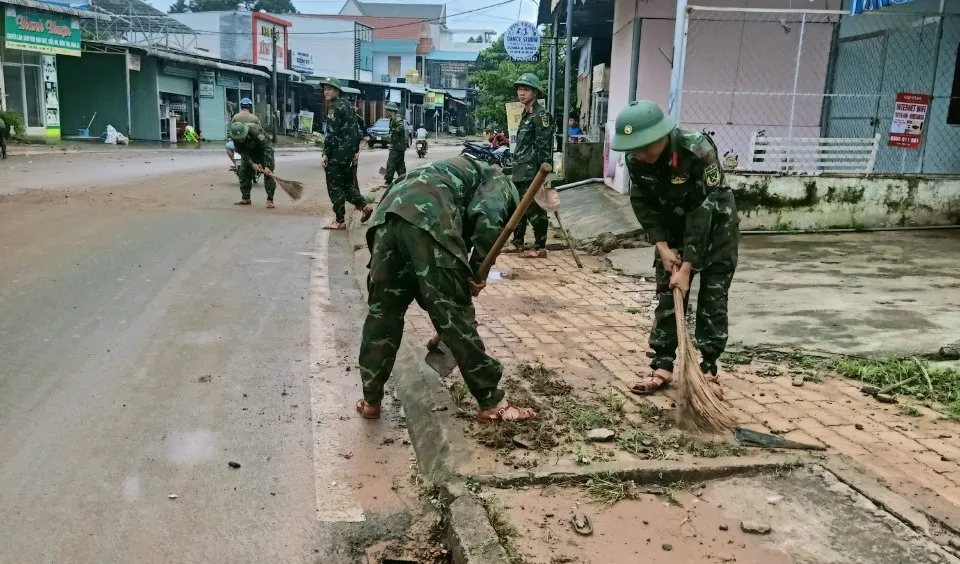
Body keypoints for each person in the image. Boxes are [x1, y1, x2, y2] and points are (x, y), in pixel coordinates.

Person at [355, 155, 537, 424]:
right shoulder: (501, 182)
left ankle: (371, 399)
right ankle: (492, 401)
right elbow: (489, 219)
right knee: (455, 315)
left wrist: (455, 284)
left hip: (386, 220)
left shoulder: (457, 171)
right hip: (430, 219)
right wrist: (477, 269)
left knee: (383, 313)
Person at [612, 100, 740, 400]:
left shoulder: (696, 150)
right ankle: (662, 365)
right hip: (672, 231)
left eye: (643, 147)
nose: (638, 154)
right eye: (633, 149)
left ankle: (707, 370)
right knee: (668, 296)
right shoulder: (635, 158)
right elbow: (642, 202)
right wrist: (662, 246)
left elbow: (702, 210)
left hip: (716, 229)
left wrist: (688, 266)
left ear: (660, 136)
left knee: (713, 299)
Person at [508, 73, 554, 258]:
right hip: (520, 169)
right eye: (520, 89)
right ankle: (517, 242)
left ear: (535, 92)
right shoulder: (526, 114)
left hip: (532, 171)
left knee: (535, 208)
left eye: (526, 89)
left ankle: (540, 247)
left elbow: (544, 146)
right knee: (519, 207)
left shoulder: (541, 115)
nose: (521, 93)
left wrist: (543, 173)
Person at [318, 77, 372, 230]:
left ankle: (340, 221)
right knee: (347, 185)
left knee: (335, 187)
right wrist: (354, 152)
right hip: (347, 154)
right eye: (325, 89)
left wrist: (326, 153)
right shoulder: (349, 106)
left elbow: (331, 134)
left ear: (337, 90)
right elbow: (355, 131)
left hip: (337, 154)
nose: (326, 92)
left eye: (329, 89)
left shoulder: (333, 107)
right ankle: (364, 206)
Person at [228, 120, 277, 209]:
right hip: (249, 153)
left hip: (264, 153)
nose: (240, 140)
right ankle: (245, 198)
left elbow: (267, 147)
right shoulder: (234, 137)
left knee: (268, 175)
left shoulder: (255, 131)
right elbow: (241, 151)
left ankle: (270, 200)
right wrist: (252, 164)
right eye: (238, 139)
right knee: (243, 173)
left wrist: (266, 166)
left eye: (241, 138)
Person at [227, 98, 260, 168]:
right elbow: (260, 130)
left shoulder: (236, 117)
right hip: (252, 143)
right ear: (250, 107)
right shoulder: (255, 118)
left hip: (239, 142)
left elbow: (232, 129)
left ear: (241, 106)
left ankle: (236, 164)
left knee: (228, 147)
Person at [382, 101, 407, 185]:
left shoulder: (397, 118)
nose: (386, 112)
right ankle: (403, 180)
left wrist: (393, 132)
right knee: (400, 164)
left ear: (390, 111)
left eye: (387, 110)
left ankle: (388, 181)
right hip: (399, 146)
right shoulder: (393, 119)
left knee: (391, 164)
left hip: (396, 147)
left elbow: (401, 127)